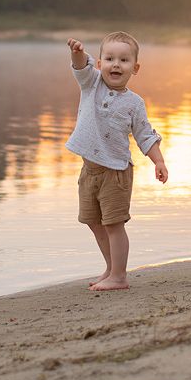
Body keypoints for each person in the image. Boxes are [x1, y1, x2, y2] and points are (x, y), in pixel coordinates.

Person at [65, 32, 168, 291]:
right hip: (89, 171)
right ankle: (111, 268)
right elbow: (80, 67)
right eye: (109, 59)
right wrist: (77, 52)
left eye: (123, 60)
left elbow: (145, 135)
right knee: (93, 221)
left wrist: (159, 161)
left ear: (135, 68)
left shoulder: (134, 103)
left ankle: (120, 276)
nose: (116, 64)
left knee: (113, 223)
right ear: (99, 64)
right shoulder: (92, 84)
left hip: (116, 173)